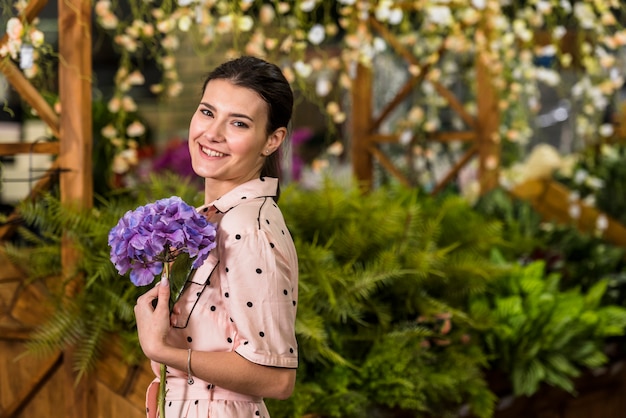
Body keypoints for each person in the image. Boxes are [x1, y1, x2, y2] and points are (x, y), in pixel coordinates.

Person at [134, 56, 299, 418]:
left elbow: (277, 378)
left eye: (238, 123)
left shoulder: (247, 229)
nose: (213, 133)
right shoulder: (212, 220)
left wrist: (162, 350)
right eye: (208, 112)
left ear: (272, 140)